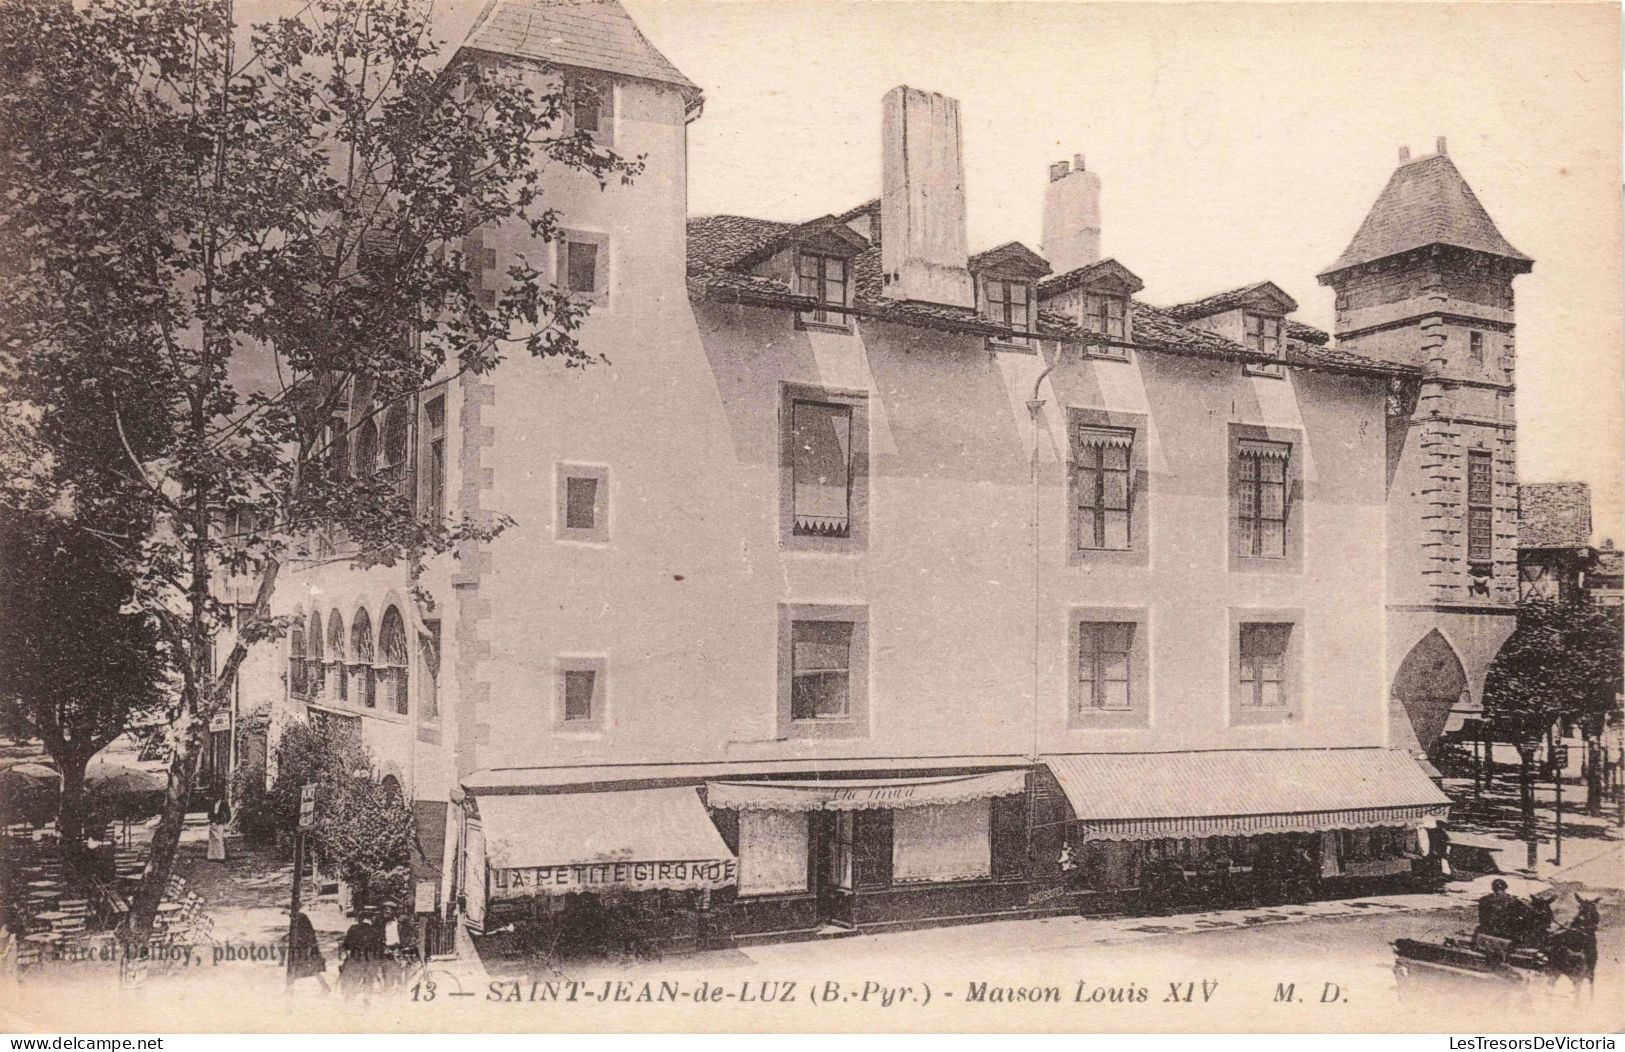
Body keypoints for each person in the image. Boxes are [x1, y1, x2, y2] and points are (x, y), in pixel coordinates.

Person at [338, 908, 386, 1004]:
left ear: (360, 919)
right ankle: (367, 999)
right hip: (370, 961)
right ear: (371, 920)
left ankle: (350, 999)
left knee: (355, 978)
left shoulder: (353, 928)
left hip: (356, 959)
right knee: (369, 980)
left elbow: (346, 945)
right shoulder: (376, 931)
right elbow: (380, 948)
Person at [288, 909, 329, 994]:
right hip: (301, 947)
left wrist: (308, 950)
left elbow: (308, 935)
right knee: (296, 967)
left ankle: (325, 986)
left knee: (308, 968)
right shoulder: (298, 918)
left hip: (305, 948)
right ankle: (289, 988)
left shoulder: (301, 919)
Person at [206, 796, 232, 863]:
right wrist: (212, 821)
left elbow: (228, 814)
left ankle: (221, 857)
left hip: (220, 823)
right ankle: (212, 856)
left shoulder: (224, 803)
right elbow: (209, 813)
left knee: (220, 839)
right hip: (213, 823)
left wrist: (225, 822)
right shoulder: (212, 803)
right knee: (212, 840)